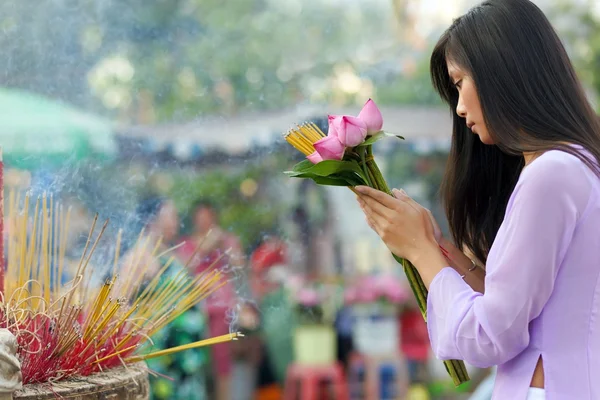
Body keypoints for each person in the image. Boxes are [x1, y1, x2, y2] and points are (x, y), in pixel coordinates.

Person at [355, 1, 600, 399]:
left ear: (501, 72)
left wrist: (420, 253)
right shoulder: (580, 164)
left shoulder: (550, 175)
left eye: (459, 82)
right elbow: (529, 314)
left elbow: (492, 337)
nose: (460, 107)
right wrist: (444, 254)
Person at [121, 196, 208, 400]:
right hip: (160, 358)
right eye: (171, 216)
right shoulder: (140, 255)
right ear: (152, 220)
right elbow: (119, 301)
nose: (177, 221)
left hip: (180, 357)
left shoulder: (166, 251)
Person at [178, 200, 244, 400]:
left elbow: (239, 265)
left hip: (221, 308)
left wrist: (224, 244)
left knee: (222, 361)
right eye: (200, 217)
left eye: (208, 217)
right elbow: (182, 268)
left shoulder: (225, 240)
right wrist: (205, 247)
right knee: (196, 360)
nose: (204, 221)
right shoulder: (188, 243)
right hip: (195, 308)